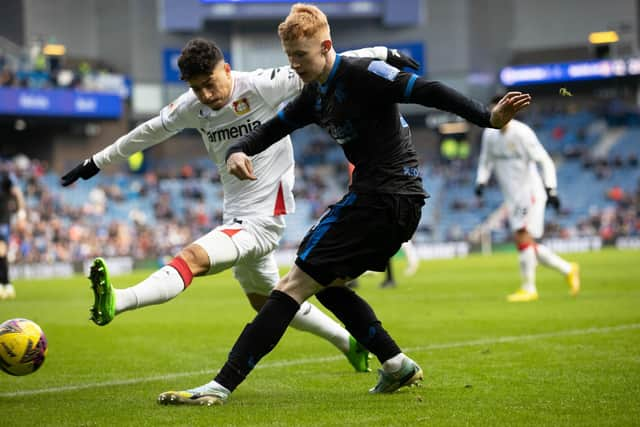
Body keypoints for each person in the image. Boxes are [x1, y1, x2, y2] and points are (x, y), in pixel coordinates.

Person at [156, 3, 531, 406]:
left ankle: (219, 386)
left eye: (300, 55)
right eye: (289, 57)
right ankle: (395, 363)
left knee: (291, 286)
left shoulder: (362, 75)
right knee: (328, 285)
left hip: (385, 198)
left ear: (326, 46)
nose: (294, 65)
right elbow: (274, 127)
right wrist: (239, 149)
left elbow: (428, 90)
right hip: (388, 201)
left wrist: (487, 118)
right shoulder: (314, 95)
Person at [61, 38, 420, 373]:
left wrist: (383, 53)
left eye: (210, 82)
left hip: (264, 219)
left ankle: (118, 300)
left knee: (192, 260)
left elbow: (332, 63)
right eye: (196, 88)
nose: (206, 94)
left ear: (227, 69)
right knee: (267, 300)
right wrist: (95, 162)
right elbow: (146, 132)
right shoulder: (191, 107)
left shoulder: (263, 85)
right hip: (235, 213)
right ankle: (348, 342)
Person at [474, 95, 580, 302]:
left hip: (529, 192)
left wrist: (552, 190)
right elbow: (485, 161)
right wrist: (481, 181)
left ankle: (529, 289)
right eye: (495, 112)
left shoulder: (523, 134)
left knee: (522, 237)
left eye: (502, 111)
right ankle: (568, 269)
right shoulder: (489, 134)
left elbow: (545, 161)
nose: (498, 115)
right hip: (512, 197)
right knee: (526, 243)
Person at [0, 169, 26, 300]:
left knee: (2, 253)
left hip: (3, 224)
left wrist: (21, 215)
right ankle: (6, 284)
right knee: (2, 254)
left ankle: (6, 284)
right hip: (4, 223)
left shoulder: (6, 182)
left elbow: (17, 192)